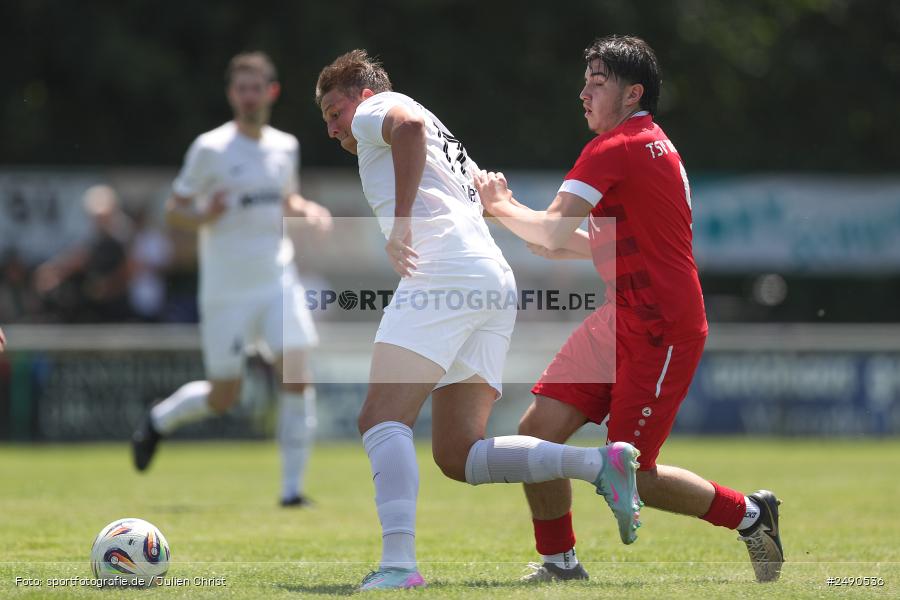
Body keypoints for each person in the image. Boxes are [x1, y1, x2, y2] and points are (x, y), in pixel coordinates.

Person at [315, 49, 642, 592]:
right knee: (457, 454)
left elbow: (409, 125)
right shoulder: (447, 142)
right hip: (491, 279)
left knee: (379, 418)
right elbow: (494, 203)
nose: (332, 129)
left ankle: (398, 567)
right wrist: (597, 249)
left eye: (333, 112)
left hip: (444, 274)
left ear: (363, 96)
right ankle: (598, 466)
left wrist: (399, 225)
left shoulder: (384, 109)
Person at [473, 35, 784, 584]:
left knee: (632, 472)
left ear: (633, 92)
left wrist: (500, 205)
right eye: (585, 81)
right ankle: (560, 564)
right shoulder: (644, 142)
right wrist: (516, 216)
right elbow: (579, 242)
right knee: (538, 432)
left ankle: (751, 515)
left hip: (662, 326)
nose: (584, 92)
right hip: (623, 316)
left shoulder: (615, 147)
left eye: (599, 81)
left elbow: (552, 234)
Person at [131, 52, 332, 508]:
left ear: (271, 91)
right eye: (240, 88)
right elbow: (173, 210)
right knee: (225, 395)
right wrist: (205, 214)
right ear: (231, 94)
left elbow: (287, 198)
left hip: (276, 279)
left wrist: (307, 210)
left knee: (297, 374)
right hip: (226, 291)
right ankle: (159, 420)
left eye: (255, 87)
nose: (248, 95)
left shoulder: (285, 146)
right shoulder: (210, 148)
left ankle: (291, 492)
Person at [33, 185, 133, 322]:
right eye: (96, 216)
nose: (99, 220)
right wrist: (55, 271)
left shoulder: (123, 237)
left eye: (103, 216)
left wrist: (107, 287)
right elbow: (79, 258)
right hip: (93, 309)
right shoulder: (90, 236)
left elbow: (128, 273)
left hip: (118, 309)